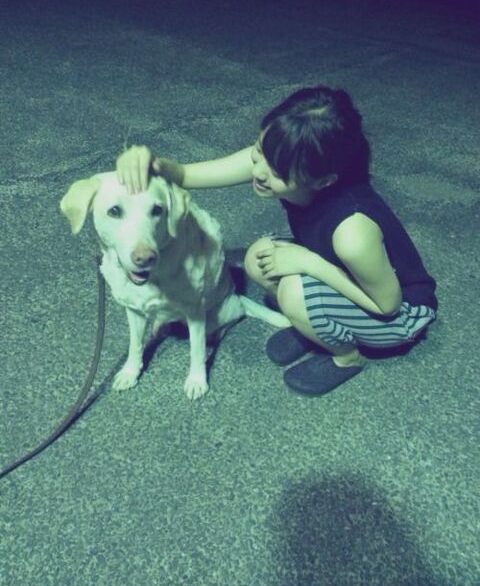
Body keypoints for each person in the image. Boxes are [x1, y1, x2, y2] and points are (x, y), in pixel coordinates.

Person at [116, 85, 437, 396]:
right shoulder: (285, 159)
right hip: (349, 275)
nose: (258, 172)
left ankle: (346, 356)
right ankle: (314, 326)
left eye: (278, 172)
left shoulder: (352, 232)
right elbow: (185, 175)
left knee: (295, 292)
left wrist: (309, 263)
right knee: (259, 257)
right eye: (259, 152)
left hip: (402, 315)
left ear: (323, 181)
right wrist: (151, 163)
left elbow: (387, 305)